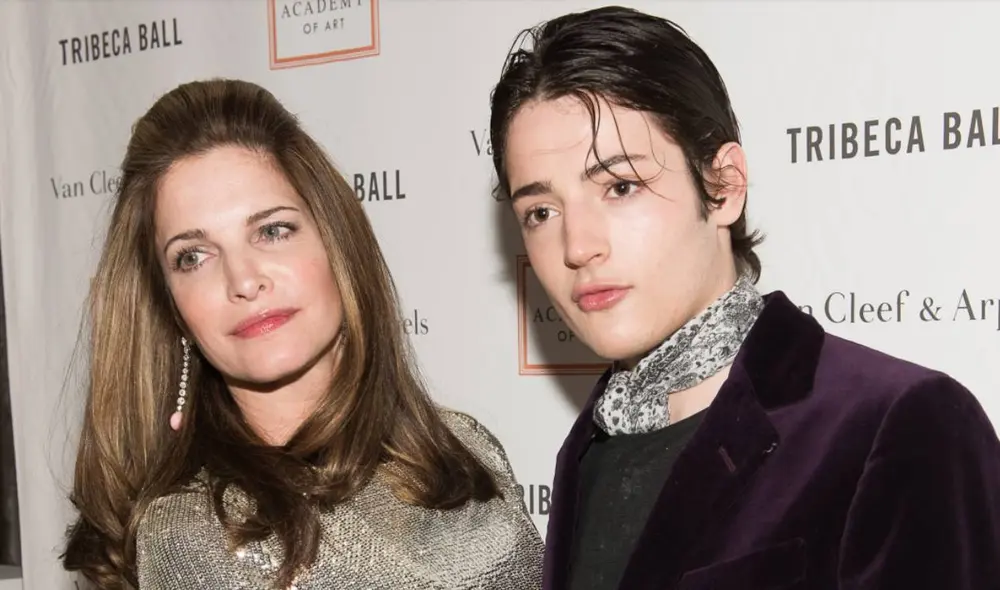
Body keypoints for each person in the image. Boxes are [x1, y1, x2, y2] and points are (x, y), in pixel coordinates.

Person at [488, 6, 1000, 590]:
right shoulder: (590, 450)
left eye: (621, 186)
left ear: (724, 186)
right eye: (541, 212)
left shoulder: (897, 424)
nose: (577, 246)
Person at [60, 78, 544, 590]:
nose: (244, 280)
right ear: (171, 307)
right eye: (193, 257)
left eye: (272, 230)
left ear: (336, 241)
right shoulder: (190, 533)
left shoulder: (466, 446)